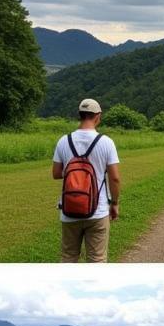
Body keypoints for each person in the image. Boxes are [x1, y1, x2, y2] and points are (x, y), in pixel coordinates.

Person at [51, 98, 120, 262]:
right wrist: (115, 203)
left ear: (80, 115)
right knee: (97, 259)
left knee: (68, 257)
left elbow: (56, 173)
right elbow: (115, 178)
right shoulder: (106, 142)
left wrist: (74, 174)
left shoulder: (63, 141)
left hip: (69, 210)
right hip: (98, 210)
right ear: (98, 116)